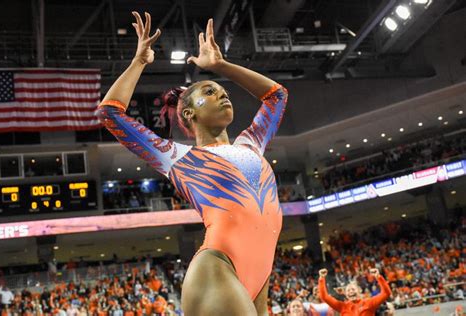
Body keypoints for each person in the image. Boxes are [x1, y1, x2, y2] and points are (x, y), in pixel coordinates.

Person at [97, 10, 288, 316]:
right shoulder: (179, 157)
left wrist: (221, 66)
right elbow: (111, 113)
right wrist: (139, 62)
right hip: (217, 268)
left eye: (223, 91)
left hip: (259, 272)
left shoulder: (252, 144)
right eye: (210, 92)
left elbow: (275, 96)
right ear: (189, 114)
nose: (222, 95)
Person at [318, 268, 392, 316]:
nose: (350, 291)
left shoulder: (369, 303)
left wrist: (378, 277)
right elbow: (324, 297)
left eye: (353, 289)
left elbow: (386, 293)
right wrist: (321, 278)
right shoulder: (342, 307)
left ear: (359, 291)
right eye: (348, 290)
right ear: (346, 294)